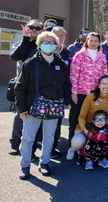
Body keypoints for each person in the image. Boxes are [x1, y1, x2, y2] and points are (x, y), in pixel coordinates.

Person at [15, 31, 71, 179]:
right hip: (32, 107)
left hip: (53, 106)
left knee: (49, 137)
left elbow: (67, 85)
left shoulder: (61, 64)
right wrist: (21, 108)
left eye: (51, 42)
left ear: (56, 45)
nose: (48, 45)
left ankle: (44, 163)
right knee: (28, 138)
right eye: (45, 42)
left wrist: (65, 102)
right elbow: (20, 87)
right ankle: (25, 166)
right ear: (39, 45)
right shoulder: (30, 63)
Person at [67, 33, 108, 160]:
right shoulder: (80, 55)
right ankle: (71, 147)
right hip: (80, 94)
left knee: (92, 120)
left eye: (96, 41)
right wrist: (74, 92)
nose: (93, 43)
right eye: (91, 40)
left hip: (95, 95)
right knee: (75, 119)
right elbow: (74, 74)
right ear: (87, 41)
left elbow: (104, 75)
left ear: (99, 42)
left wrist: (104, 92)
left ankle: (88, 146)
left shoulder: (102, 57)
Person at [9, 19, 44, 156]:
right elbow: (15, 56)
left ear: (42, 29)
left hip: (40, 87)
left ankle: (33, 146)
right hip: (23, 87)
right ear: (26, 28)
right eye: (31, 27)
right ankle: (15, 143)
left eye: (37, 27)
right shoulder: (21, 43)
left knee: (38, 116)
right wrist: (25, 38)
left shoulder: (44, 44)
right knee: (20, 115)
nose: (34, 30)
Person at [70, 75, 108, 165]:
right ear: (99, 85)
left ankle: (101, 156)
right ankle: (81, 153)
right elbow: (81, 116)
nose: (105, 86)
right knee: (77, 143)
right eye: (103, 83)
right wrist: (85, 130)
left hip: (101, 129)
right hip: (86, 128)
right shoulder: (90, 97)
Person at [49, 26, 73, 158]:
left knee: (56, 124)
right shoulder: (44, 50)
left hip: (59, 95)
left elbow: (70, 75)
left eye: (63, 36)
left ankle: (52, 149)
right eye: (58, 35)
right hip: (43, 94)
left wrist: (67, 97)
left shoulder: (68, 53)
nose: (60, 38)